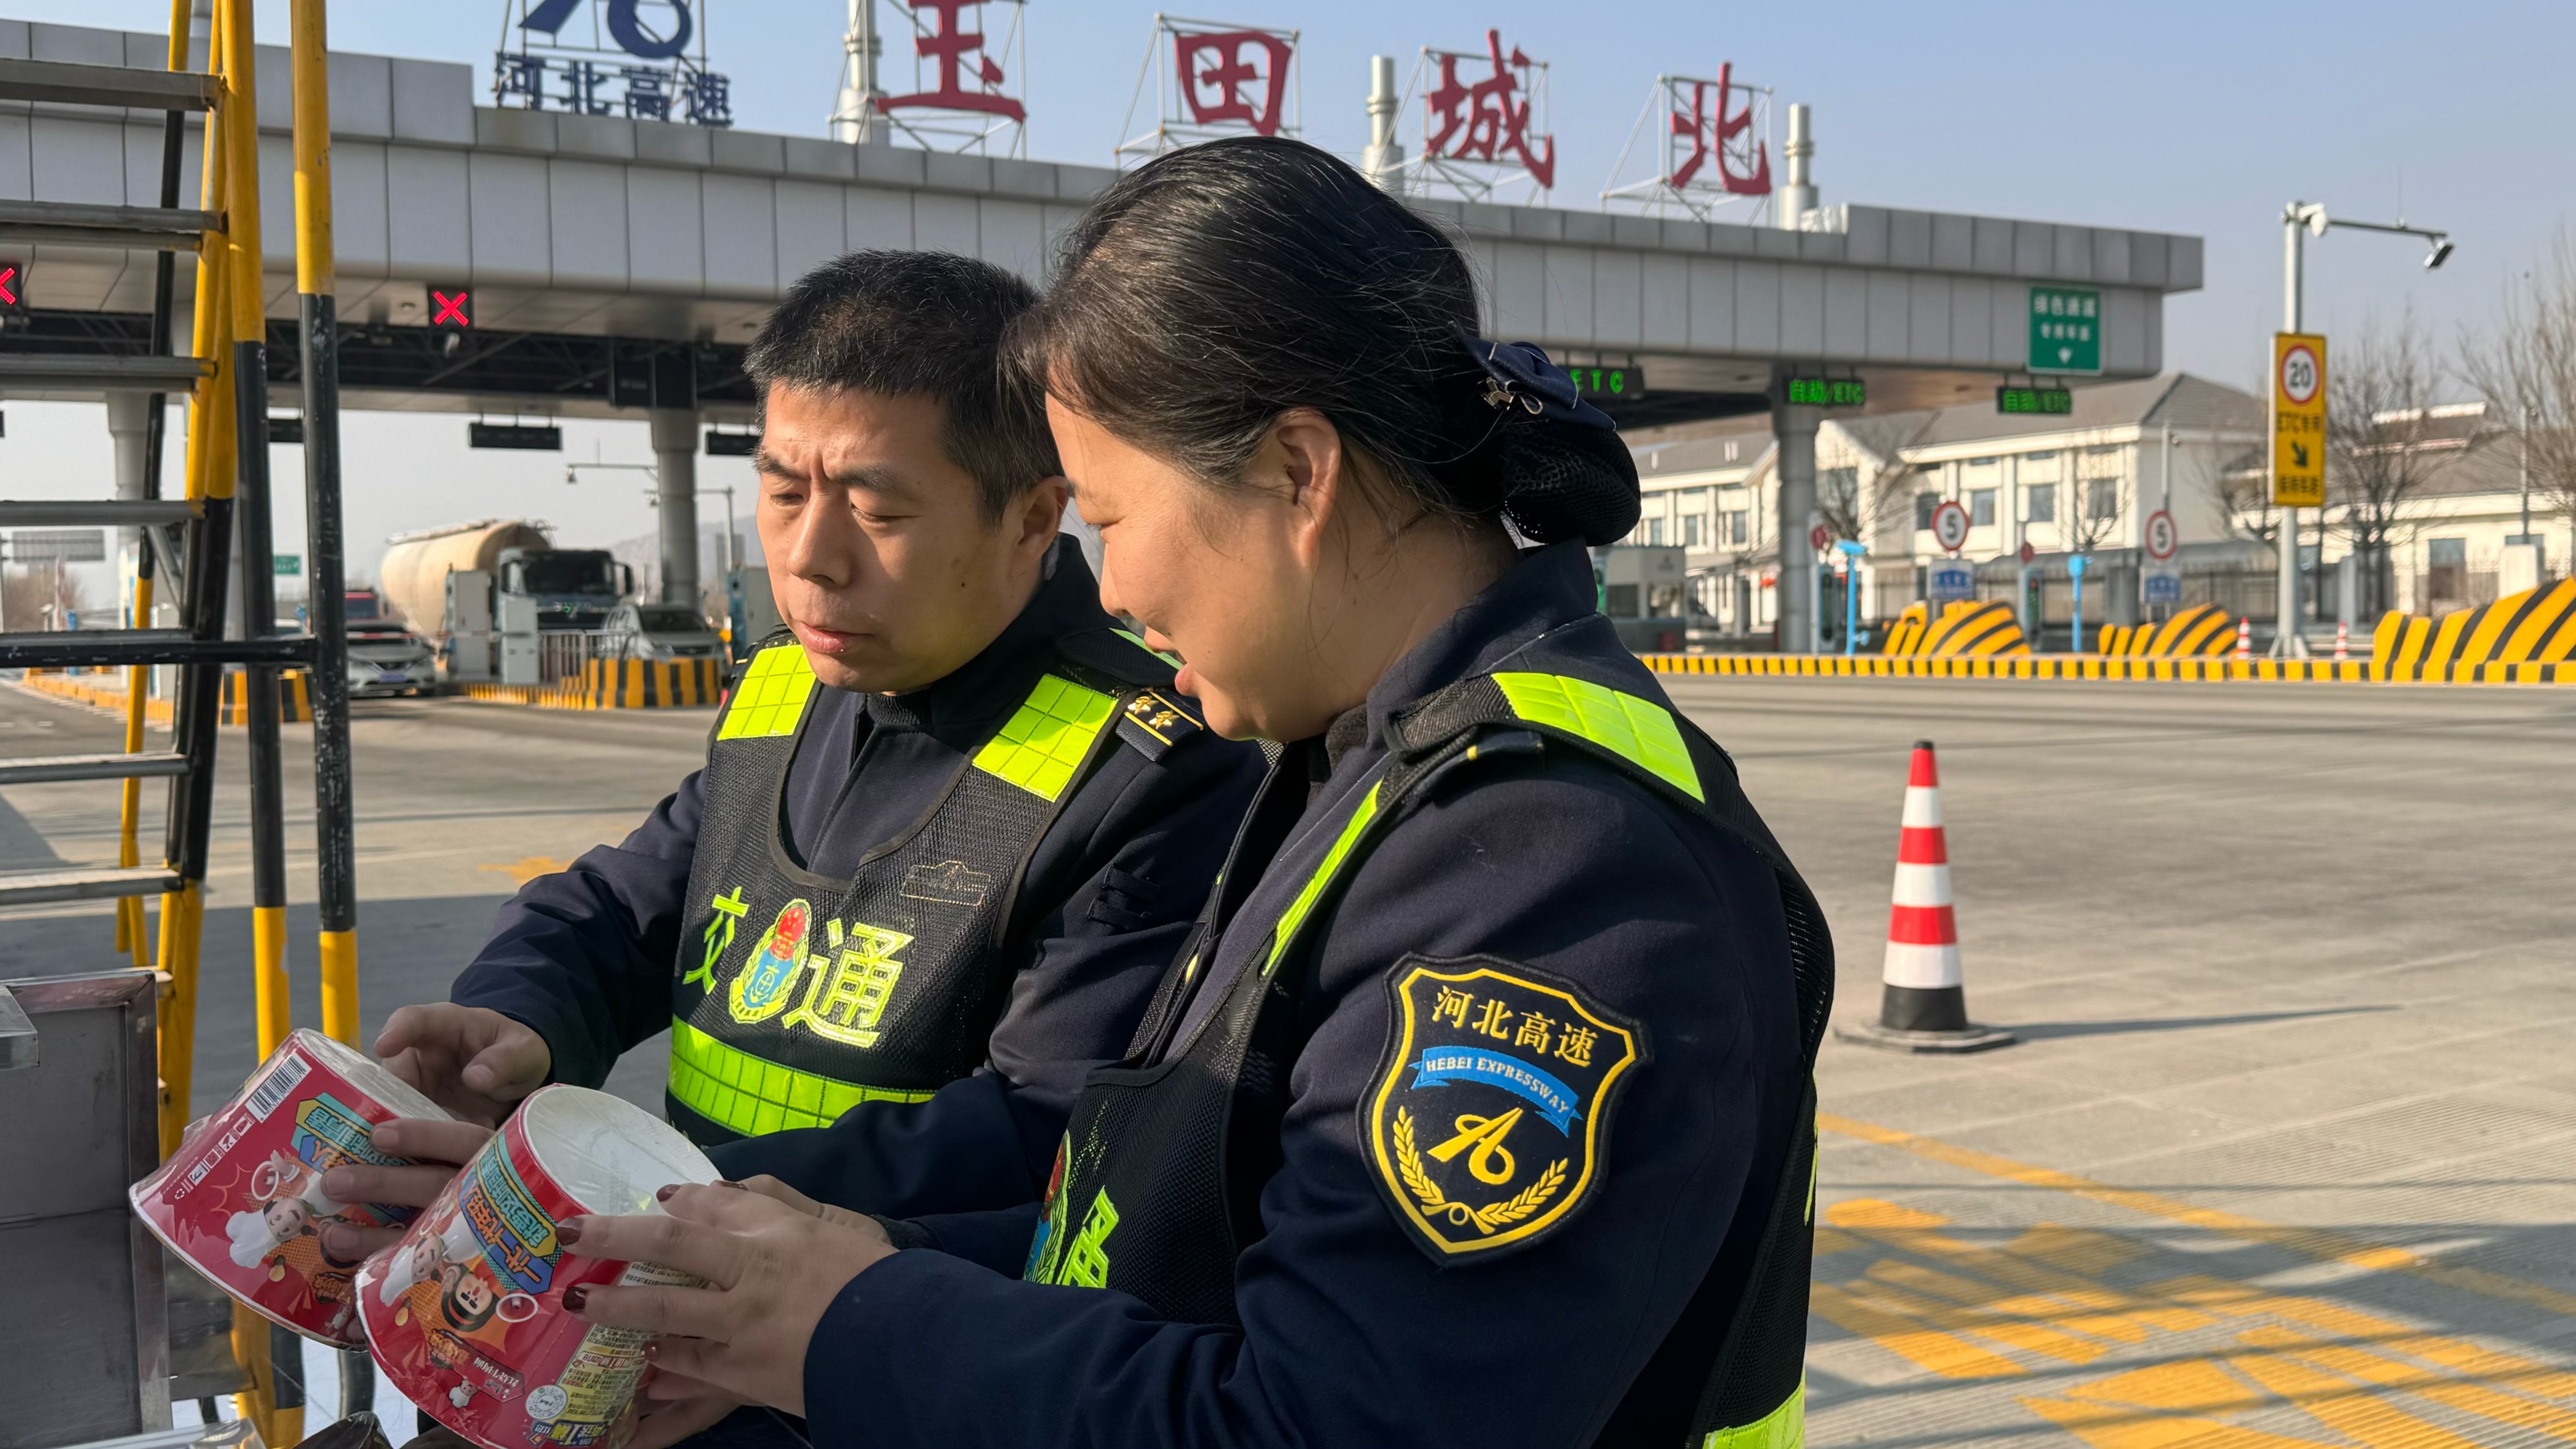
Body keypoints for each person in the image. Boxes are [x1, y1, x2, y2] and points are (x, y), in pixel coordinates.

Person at [561, 138, 1831, 1449]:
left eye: (1111, 519)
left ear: (1297, 472)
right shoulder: (1368, 767)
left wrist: (857, 1324)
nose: (1111, 589)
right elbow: (1180, 1237)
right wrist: (855, 1265)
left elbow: (1321, 1424)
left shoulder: (1546, 864)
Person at [323, 252, 1262, 1267]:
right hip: (678, 1289)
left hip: (900, 1325)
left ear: (1034, 518)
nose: (811, 556)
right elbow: (629, 906)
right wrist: (515, 1014)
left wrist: (654, 1197)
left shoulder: (1151, 768)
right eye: (781, 492)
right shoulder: (787, 687)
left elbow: (1045, 1128)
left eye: (877, 510)